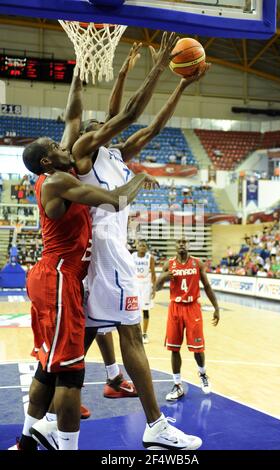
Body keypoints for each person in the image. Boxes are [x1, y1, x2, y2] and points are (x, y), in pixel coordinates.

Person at [28, 33, 207, 451]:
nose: (98, 125)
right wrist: (161, 66)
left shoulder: (114, 154)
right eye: (96, 126)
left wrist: (181, 82)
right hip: (107, 260)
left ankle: (38, 426)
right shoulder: (82, 152)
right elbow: (121, 113)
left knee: (68, 357)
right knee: (131, 337)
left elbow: (151, 123)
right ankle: (156, 426)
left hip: (94, 265)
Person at [12, 138, 158, 451]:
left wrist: (77, 84)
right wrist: (139, 177)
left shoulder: (51, 176)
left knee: (50, 370)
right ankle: (60, 440)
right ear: (47, 162)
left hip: (56, 278)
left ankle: (26, 442)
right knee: (70, 374)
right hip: (60, 278)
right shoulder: (60, 180)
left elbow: (72, 122)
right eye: (55, 146)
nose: (64, 145)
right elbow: (116, 200)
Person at [156, 238, 220, 401]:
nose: (182, 244)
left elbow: (206, 286)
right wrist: (164, 276)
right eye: (179, 242)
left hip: (192, 308)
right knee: (174, 348)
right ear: (175, 246)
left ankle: (203, 374)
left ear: (189, 246)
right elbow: (156, 287)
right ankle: (177, 385)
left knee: (198, 348)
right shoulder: (168, 264)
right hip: (175, 309)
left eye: (185, 242)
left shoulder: (197, 264)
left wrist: (216, 307)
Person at [132, 239, 156, 344]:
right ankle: (134, 333)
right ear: (137, 246)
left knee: (145, 310)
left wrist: (154, 288)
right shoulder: (132, 256)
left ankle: (144, 333)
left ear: (146, 248)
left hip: (146, 285)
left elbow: (154, 274)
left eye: (144, 246)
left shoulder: (150, 258)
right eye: (140, 245)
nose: (142, 247)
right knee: (133, 310)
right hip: (135, 284)